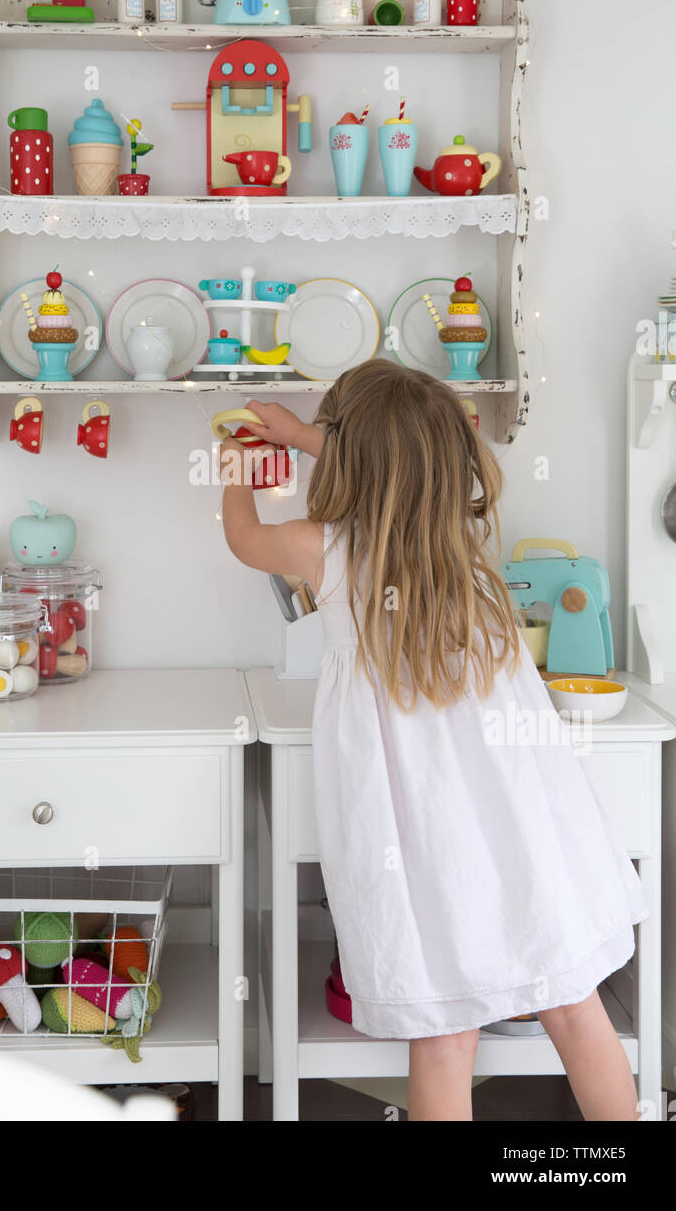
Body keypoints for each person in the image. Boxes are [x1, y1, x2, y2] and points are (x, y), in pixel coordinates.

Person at [219, 360, 646, 1121]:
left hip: (424, 856)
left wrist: (239, 469)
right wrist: (303, 434)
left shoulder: (327, 553)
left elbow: (246, 540)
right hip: (523, 839)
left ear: (347, 454)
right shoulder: (470, 556)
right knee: (577, 1008)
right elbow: (397, 459)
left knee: (445, 1036)